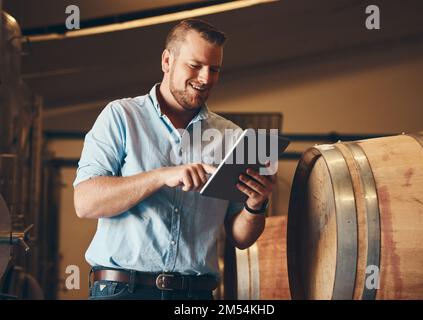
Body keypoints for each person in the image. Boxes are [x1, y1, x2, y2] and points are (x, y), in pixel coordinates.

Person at [73, 18, 277, 300]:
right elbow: (85, 203)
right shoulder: (121, 116)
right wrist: (161, 176)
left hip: (195, 295)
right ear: (167, 61)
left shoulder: (233, 137)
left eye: (214, 69)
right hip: (121, 291)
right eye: (195, 66)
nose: (205, 78)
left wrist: (257, 205)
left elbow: (241, 238)